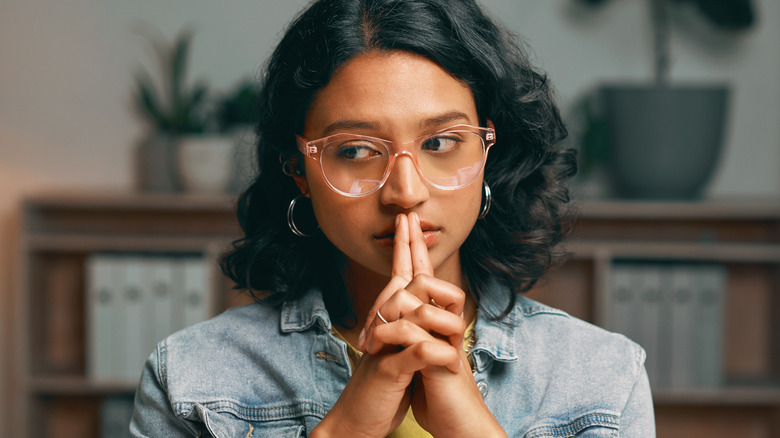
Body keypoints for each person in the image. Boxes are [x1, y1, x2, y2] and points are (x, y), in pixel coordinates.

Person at [131, 0, 655, 436]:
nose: (406, 192)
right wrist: (350, 422)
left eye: (441, 143)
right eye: (356, 151)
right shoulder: (190, 378)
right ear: (299, 170)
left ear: (487, 154)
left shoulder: (604, 380)